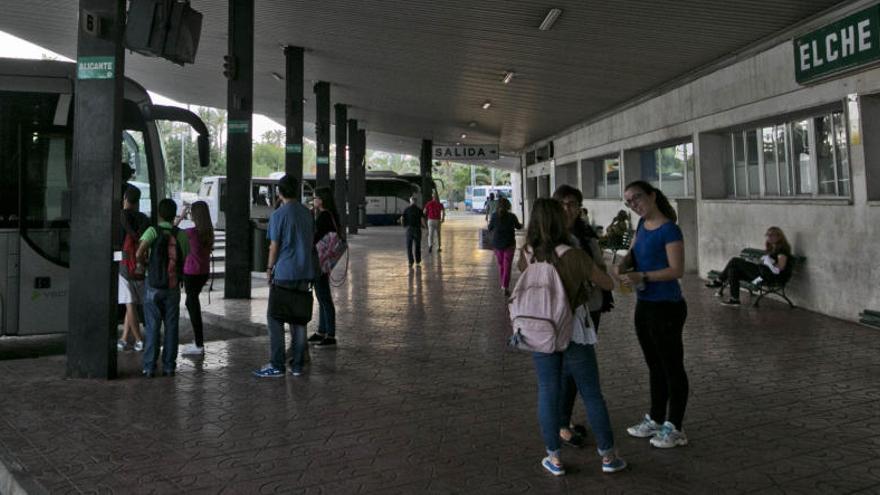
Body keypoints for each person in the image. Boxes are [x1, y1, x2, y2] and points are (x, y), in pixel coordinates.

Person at [516, 198, 626, 476]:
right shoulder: (573, 254)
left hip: (542, 330)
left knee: (547, 392)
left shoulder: (527, 252)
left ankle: (554, 458)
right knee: (591, 394)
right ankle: (608, 457)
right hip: (574, 330)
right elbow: (608, 283)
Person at [615, 180, 689, 449]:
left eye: (637, 198)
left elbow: (676, 270)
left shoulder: (670, 229)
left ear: (652, 195)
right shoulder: (641, 226)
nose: (634, 204)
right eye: (629, 202)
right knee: (654, 365)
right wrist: (622, 264)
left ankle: (675, 426)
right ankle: (656, 418)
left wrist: (642, 275)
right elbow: (633, 254)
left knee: (672, 367)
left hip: (667, 306)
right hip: (645, 304)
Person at [552, 184, 614, 448]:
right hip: (560, 311)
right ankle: (561, 424)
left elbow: (599, 269)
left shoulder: (586, 235)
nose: (568, 208)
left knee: (574, 370)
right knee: (568, 370)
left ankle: (562, 421)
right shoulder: (550, 236)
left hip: (589, 308)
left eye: (573, 204)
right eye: (563, 203)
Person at [254, 175, 315, 378]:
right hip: (305, 271)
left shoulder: (278, 215)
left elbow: (274, 246)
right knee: (299, 319)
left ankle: (277, 364)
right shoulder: (308, 214)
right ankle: (297, 365)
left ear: (279, 193)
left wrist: (270, 268)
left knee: (275, 318)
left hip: (285, 272)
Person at [136, 198, 190, 378]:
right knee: (171, 327)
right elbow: (186, 255)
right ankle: (169, 367)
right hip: (173, 286)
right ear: (174, 214)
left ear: (159, 214)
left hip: (153, 285)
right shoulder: (180, 235)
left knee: (152, 327)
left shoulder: (153, 230)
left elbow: (139, 252)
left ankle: (149, 366)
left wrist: (145, 263)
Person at [706, 226, 793, 306]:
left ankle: (719, 280)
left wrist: (768, 262)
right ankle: (734, 299)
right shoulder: (773, 248)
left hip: (769, 278)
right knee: (733, 270)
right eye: (767, 235)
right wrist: (762, 262)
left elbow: (780, 267)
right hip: (762, 274)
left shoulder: (782, 250)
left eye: (771, 235)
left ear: (779, 236)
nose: (768, 237)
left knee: (735, 260)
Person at [177, 201, 214, 356]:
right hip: (203, 272)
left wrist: (181, 215)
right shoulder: (208, 232)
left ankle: (199, 344)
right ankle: (198, 342)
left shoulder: (191, 233)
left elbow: (172, 230)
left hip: (191, 273)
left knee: (192, 305)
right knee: (192, 302)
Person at [308, 186, 340, 347]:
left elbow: (314, 237)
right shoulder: (329, 214)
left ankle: (330, 334)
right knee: (321, 296)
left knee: (324, 296)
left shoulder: (324, 216)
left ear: (322, 199)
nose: (313, 200)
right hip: (324, 259)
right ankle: (322, 330)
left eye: (315, 197)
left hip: (319, 260)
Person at [118, 185, 149, 352]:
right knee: (132, 302)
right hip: (139, 265)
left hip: (124, 265)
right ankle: (123, 339)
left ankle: (138, 340)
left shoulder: (121, 216)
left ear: (125, 198)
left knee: (129, 302)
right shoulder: (144, 218)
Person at [487, 196, 521, 295]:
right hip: (509, 244)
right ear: (508, 206)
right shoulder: (512, 216)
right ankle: (504, 286)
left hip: (497, 245)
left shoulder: (494, 216)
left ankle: (503, 283)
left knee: (501, 265)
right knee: (507, 265)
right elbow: (518, 227)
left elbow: (489, 228)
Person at [401, 196, 426, 268]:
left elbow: (402, 218)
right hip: (417, 229)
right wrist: (425, 227)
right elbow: (422, 220)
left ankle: (410, 262)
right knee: (417, 246)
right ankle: (418, 261)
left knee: (409, 246)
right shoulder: (419, 210)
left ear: (410, 201)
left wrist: (403, 225)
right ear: (416, 201)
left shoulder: (406, 209)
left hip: (409, 229)